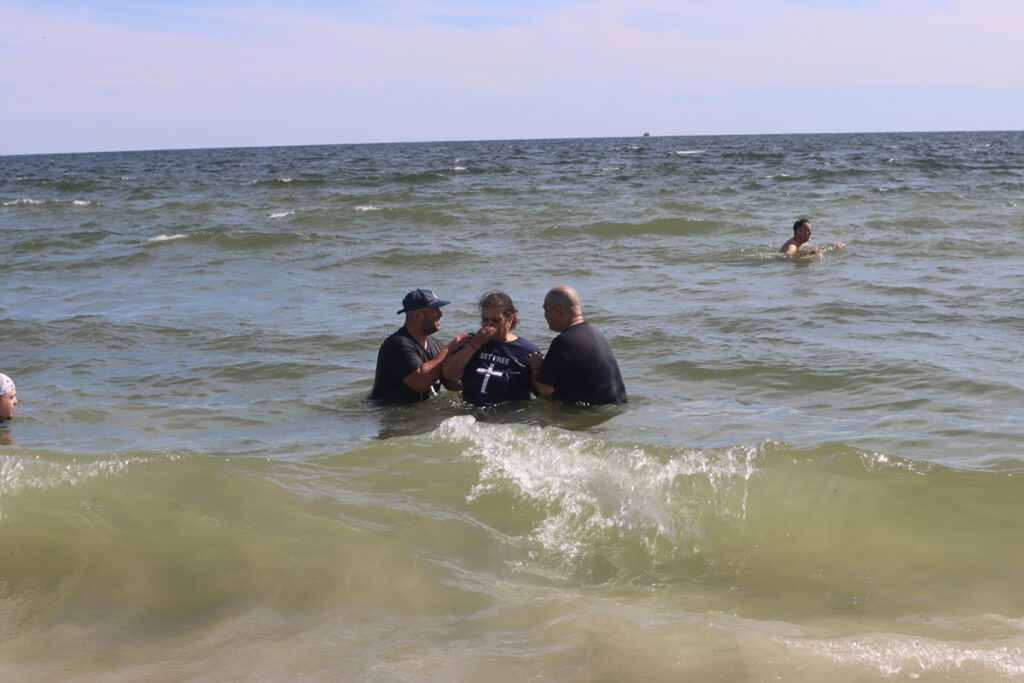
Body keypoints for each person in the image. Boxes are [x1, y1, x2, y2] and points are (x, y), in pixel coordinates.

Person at [527, 285, 627, 405]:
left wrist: (536, 370)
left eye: (545, 310)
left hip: (590, 414)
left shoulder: (563, 342)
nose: (545, 316)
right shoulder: (595, 334)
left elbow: (545, 389)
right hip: (616, 409)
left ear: (556, 310)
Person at [369, 289, 471, 404]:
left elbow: (452, 384)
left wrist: (471, 352)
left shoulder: (436, 345)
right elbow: (420, 382)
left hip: (419, 414)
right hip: (393, 416)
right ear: (418, 314)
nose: (441, 314)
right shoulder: (397, 344)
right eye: (435, 309)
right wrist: (451, 347)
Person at [442, 291, 540, 406]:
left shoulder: (526, 350)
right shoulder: (472, 342)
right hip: (469, 414)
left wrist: (538, 370)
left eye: (496, 321)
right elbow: (448, 374)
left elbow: (542, 393)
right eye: (485, 320)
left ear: (510, 319)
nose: (489, 325)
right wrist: (474, 344)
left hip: (506, 416)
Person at [779, 218, 844, 256]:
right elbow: (788, 255)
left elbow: (817, 248)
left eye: (810, 230)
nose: (810, 233)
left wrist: (834, 246)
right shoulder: (792, 246)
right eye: (807, 230)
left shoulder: (802, 244)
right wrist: (810, 253)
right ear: (798, 231)